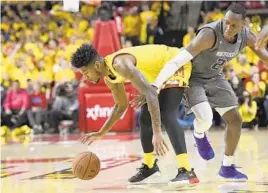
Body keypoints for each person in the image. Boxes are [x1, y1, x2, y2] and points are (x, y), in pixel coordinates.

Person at [142, 3, 268, 180]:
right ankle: (199, 134)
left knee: (235, 119)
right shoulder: (209, 35)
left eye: (234, 25)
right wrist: (156, 84)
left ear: (243, 26)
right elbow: (178, 60)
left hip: (215, 76)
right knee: (206, 118)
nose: (228, 27)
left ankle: (227, 167)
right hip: (192, 77)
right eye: (226, 22)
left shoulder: (246, 36)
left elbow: (264, 55)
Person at [71, 44, 199, 186]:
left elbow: (150, 93)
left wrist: (157, 132)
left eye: (85, 72)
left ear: (96, 65)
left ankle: (187, 170)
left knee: (166, 113)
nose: (85, 77)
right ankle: (150, 166)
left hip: (174, 61)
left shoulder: (121, 65)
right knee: (144, 118)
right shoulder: (110, 78)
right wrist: (102, 132)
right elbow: (121, 107)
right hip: (157, 73)